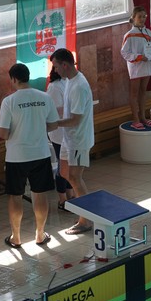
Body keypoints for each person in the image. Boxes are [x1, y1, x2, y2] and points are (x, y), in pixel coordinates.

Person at [0, 63, 59, 248]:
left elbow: (2, 133)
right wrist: (37, 129)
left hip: (16, 156)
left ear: (14, 79)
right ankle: (40, 234)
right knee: (40, 194)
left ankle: (16, 237)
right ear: (28, 76)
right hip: (40, 153)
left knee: (15, 196)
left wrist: (16, 133)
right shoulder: (44, 97)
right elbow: (53, 125)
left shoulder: (9, 101)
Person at [50, 48, 95, 235]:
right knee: (64, 172)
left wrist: (55, 124)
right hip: (68, 137)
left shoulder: (79, 86)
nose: (54, 70)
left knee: (75, 177)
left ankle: (86, 220)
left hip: (78, 139)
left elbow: (76, 119)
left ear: (65, 65)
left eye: (56, 66)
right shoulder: (69, 80)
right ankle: (83, 208)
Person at [121, 6, 151, 129]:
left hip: (147, 66)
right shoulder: (129, 35)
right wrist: (138, 57)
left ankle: (143, 117)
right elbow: (124, 53)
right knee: (134, 93)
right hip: (136, 68)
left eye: (144, 16)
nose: (142, 19)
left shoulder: (149, 33)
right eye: (139, 17)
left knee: (143, 92)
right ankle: (135, 119)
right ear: (133, 18)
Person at [46, 66, 74, 211]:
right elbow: (56, 111)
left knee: (70, 165)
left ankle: (70, 195)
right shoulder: (54, 87)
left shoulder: (68, 82)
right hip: (59, 133)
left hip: (69, 131)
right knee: (62, 166)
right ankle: (62, 199)